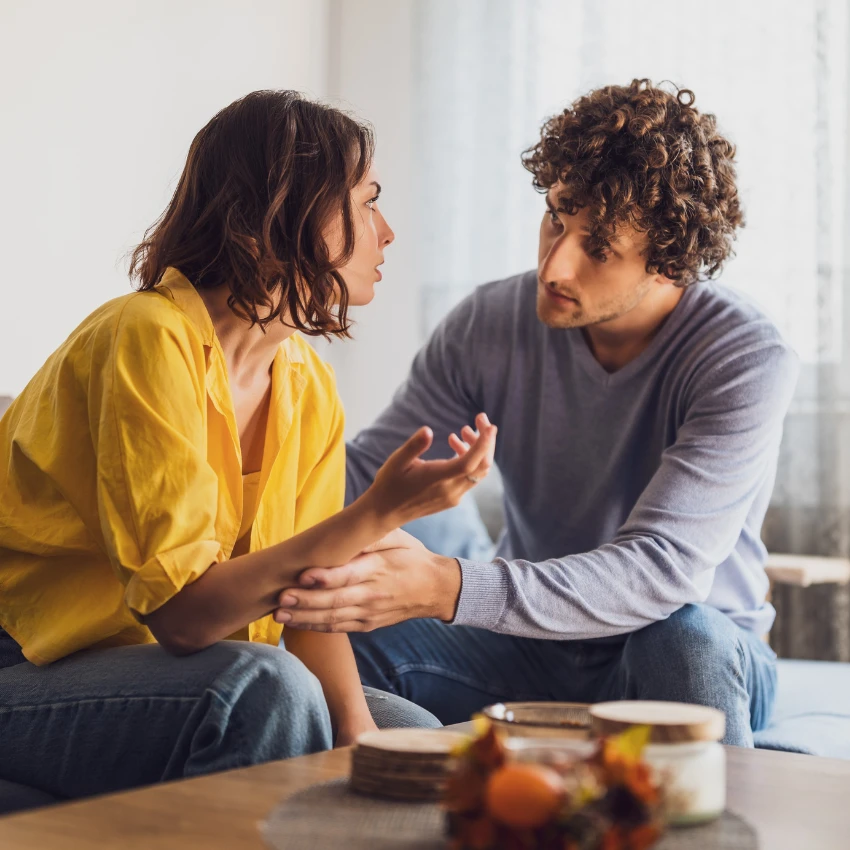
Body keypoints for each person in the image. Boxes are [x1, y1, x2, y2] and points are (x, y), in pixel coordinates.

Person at [271, 79, 799, 748]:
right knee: (317, 615)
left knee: (685, 636)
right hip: (527, 645)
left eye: (599, 247)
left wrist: (447, 586)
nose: (554, 265)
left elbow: (662, 569)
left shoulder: (744, 353)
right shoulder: (490, 321)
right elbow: (364, 473)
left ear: (671, 263)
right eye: (556, 217)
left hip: (678, 646)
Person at [0, 90, 497, 800]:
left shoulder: (305, 382)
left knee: (410, 729)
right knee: (265, 688)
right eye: (366, 201)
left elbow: (306, 600)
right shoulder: (144, 336)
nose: (387, 231)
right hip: (29, 667)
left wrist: (362, 733)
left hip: (185, 672)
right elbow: (182, 616)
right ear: (283, 209)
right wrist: (377, 513)